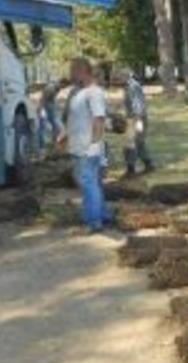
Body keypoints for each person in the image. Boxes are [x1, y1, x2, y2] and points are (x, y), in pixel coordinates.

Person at [58, 58, 112, 233]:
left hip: (87, 147)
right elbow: (75, 119)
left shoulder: (94, 93)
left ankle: (93, 222)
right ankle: (103, 215)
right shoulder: (79, 93)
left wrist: (95, 144)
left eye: (73, 71)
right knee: (93, 183)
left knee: (88, 183)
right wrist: (64, 135)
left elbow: (99, 119)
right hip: (79, 145)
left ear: (82, 71)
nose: (70, 75)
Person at [121, 70, 155, 177]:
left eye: (116, 78)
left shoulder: (132, 86)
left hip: (137, 118)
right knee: (138, 142)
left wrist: (137, 121)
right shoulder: (128, 86)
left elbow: (137, 105)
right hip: (135, 117)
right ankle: (148, 164)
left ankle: (131, 170)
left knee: (130, 143)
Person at [38, 80, 62, 149]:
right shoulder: (50, 88)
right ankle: (42, 146)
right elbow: (43, 99)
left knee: (55, 126)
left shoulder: (54, 88)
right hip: (44, 108)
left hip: (49, 108)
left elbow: (52, 100)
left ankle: (53, 143)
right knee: (43, 127)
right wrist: (40, 109)